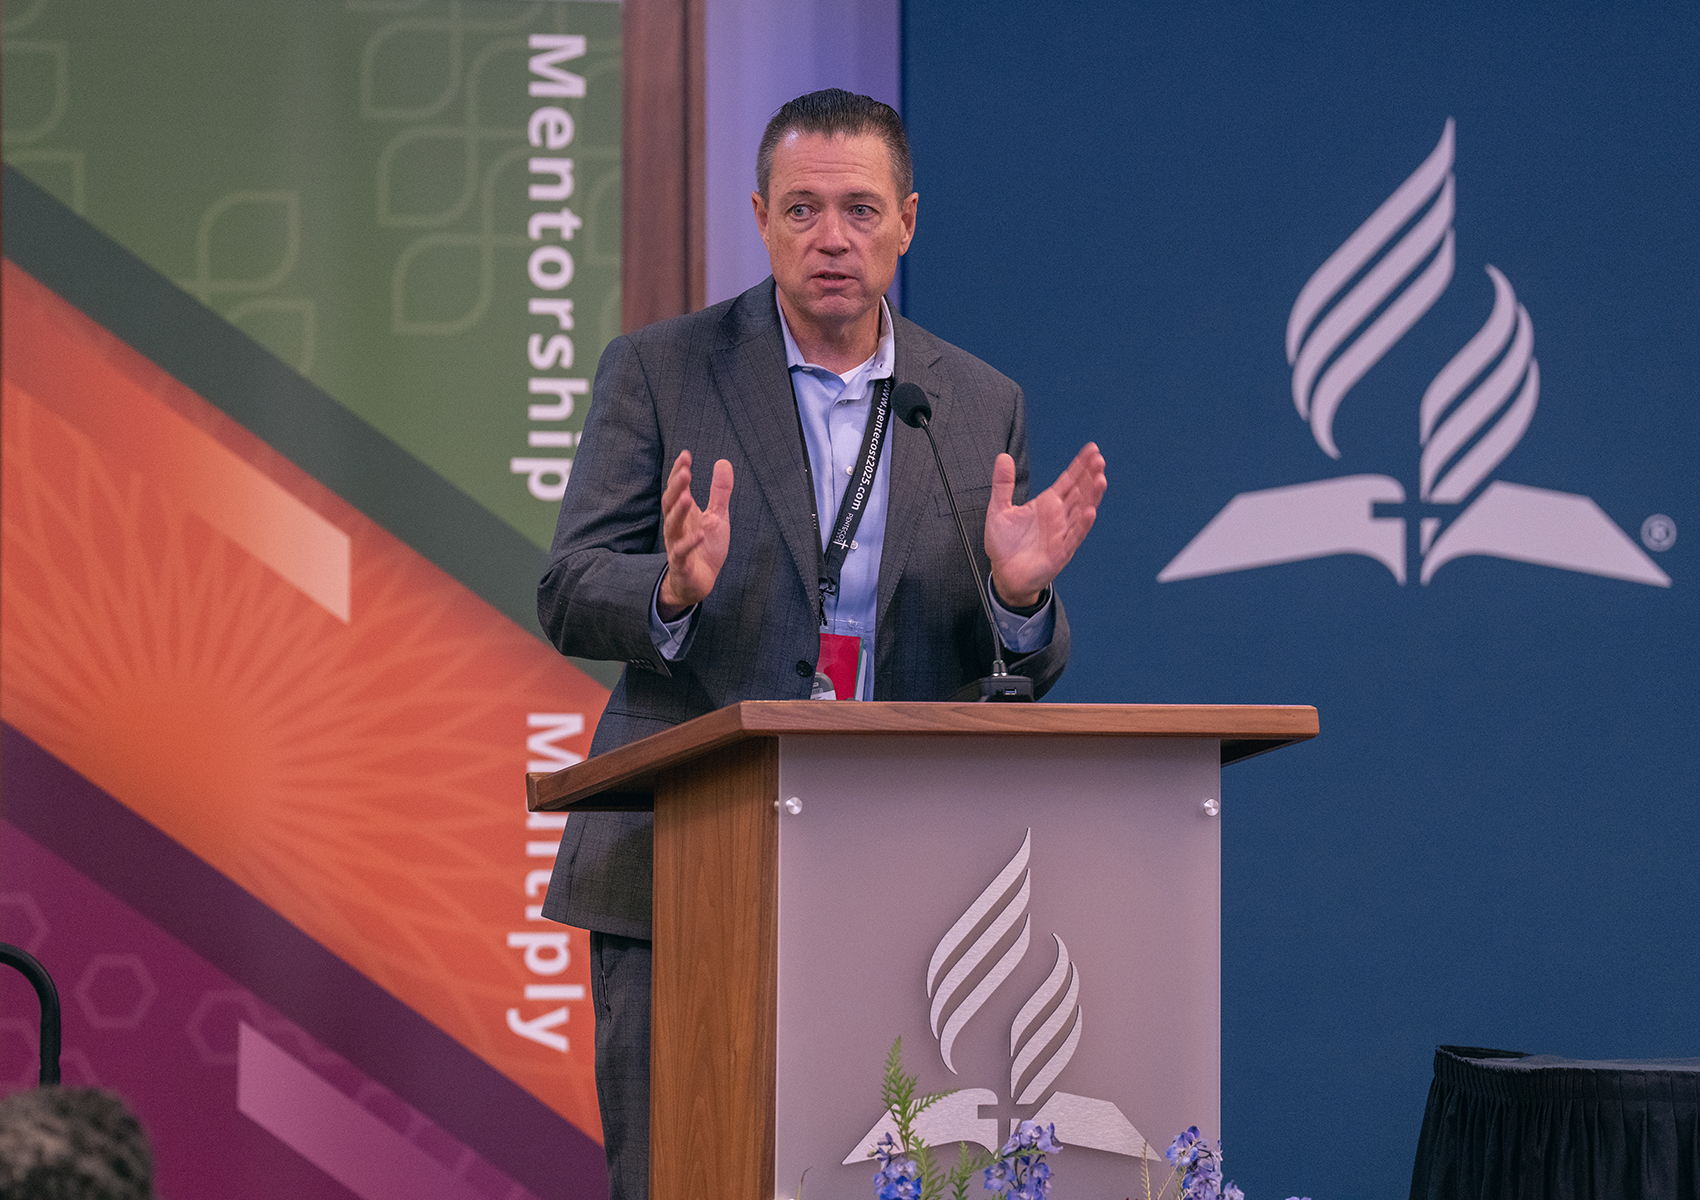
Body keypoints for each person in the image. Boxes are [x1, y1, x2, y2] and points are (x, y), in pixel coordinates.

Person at [535, 89, 1107, 1200]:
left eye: (856, 209)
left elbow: (1026, 665)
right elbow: (564, 588)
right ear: (759, 218)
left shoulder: (977, 402)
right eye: (801, 209)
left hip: (899, 881)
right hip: (681, 862)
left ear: (905, 222)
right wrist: (669, 584)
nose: (830, 237)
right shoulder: (661, 369)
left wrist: (1013, 592)